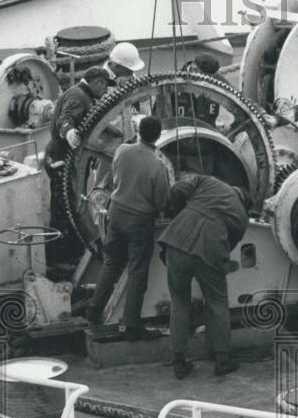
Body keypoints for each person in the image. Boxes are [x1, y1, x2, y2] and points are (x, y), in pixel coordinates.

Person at [86, 116, 170, 341]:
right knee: (137, 272)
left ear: (138, 131)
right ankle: (132, 325)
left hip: (116, 214)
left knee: (111, 263)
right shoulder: (158, 165)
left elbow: (114, 178)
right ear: (158, 136)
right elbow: (162, 202)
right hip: (139, 223)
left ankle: (93, 311)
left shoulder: (122, 150)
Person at [159, 173, 249, 380]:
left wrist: (178, 214)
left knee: (179, 302)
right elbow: (228, 247)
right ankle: (222, 360)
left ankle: (179, 362)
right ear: (243, 201)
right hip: (210, 249)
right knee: (217, 303)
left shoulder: (210, 181)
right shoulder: (242, 218)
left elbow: (176, 191)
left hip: (176, 239)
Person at [43, 66, 112, 229]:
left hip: (65, 158)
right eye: (105, 85)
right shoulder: (78, 96)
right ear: (98, 82)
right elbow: (65, 119)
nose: (106, 90)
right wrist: (69, 132)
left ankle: (70, 244)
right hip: (60, 159)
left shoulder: (84, 95)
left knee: (69, 204)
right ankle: (63, 250)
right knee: (64, 208)